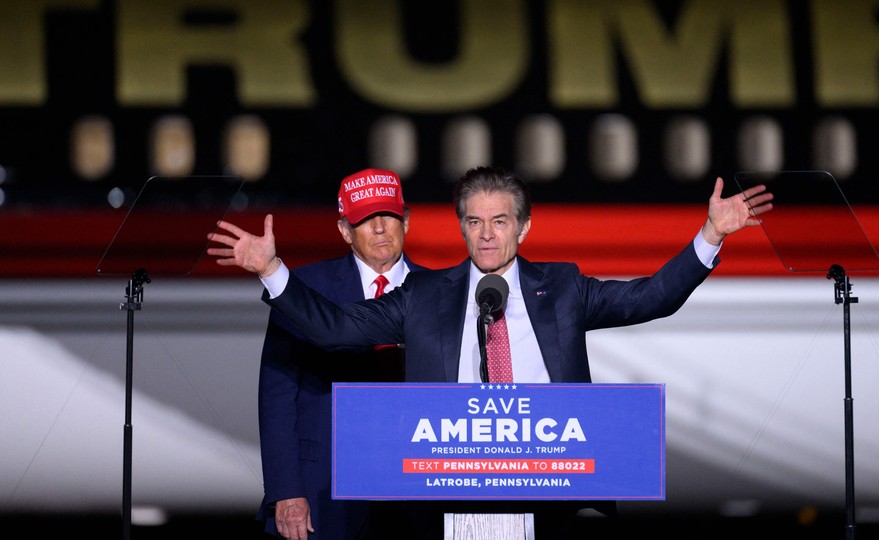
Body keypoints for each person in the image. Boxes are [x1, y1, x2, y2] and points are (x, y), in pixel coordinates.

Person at [208, 165, 773, 538]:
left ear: (522, 228)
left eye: (499, 221)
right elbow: (336, 329)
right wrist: (272, 269)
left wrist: (710, 236)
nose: (486, 235)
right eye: (474, 222)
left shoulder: (563, 288)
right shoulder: (424, 295)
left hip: (550, 491)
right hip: (448, 498)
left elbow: (649, 298)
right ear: (460, 228)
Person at [255, 168, 426, 540]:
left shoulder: (440, 290)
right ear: (345, 231)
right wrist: (287, 490)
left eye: (388, 215)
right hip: (324, 489)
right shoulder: (302, 290)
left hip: (416, 490)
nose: (379, 228)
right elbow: (277, 395)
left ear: (406, 221)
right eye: (365, 219)